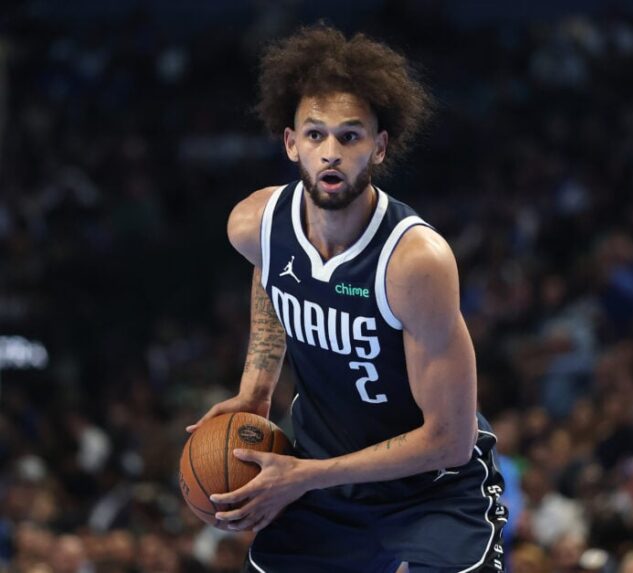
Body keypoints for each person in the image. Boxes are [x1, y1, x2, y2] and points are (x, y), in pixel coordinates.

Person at [187, 25, 507, 572]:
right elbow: (270, 268)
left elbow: (450, 441)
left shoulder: (416, 263)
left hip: (432, 491)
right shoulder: (254, 224)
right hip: (324, 493)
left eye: (350, 136)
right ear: (291, 143)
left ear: (379, 147)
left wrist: (304, 476)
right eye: (315, 135)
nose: (330, 152)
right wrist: (256, 390)